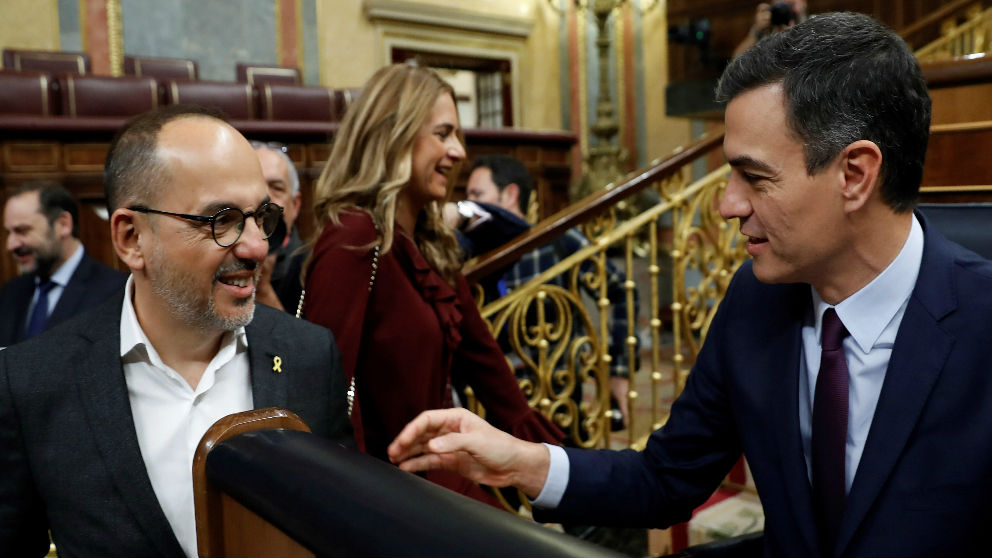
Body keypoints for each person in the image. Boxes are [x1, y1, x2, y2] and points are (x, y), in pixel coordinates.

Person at [390, 13, 992, 557]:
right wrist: (521, 461)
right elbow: (665, 479)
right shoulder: (755, 300)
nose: (728, 205)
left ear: (855, 176)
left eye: (754, 178)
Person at [0, 105, 352, 558]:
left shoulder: (309, 354)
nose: (256, 247)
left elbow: (338, 529)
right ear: (132, 238)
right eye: (220, 219)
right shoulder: (32, 383)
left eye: (260, 216)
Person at [301, 63, 563, 507]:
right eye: (443, 134)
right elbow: (323, 396)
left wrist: (556, 464)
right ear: (394, 136)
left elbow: (488, 367)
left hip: (442, 478)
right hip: (388, 495)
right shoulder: (354, 236)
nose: (459, 152)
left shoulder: (430, 244)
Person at [452, 154, 639, 428]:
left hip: (558, 404)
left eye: (477, 195)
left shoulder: (555, 241)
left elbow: (621, 288)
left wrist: (619, 370)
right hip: (490, 406)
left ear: (510, 195)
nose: (471, 206)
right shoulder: (470, 256)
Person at [0, 181, 125, 347]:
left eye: (22, 231)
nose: (11, 245)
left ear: (63, 224)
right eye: (8, 233)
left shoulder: (116, 292)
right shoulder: (10, 293)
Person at [251, 141, 307, 312]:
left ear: (295, 205)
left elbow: (310, 338)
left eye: (276, 188)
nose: (266, 196)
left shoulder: (310, 266)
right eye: (255, 183)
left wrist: (262, 289)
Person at [732, 0, 807, 59]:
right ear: (772, 4)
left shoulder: (815, 23)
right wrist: (756, 30)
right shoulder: (766, 34)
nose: (787, 2)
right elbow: (736, 60)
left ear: (804, 2)